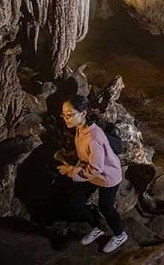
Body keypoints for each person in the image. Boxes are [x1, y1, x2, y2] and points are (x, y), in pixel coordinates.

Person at [57, 95, 127, 253]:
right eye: (64, 115)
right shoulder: (81, 128)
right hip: (91, 172)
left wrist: (70, 171)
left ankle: (120, 234)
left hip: (107, 176)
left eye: (69, 114)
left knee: (106, 207)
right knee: (77, 201)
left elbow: (96, 168)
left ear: (82, 113)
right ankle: (99, 225)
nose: (66, 118)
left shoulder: (93, 138)